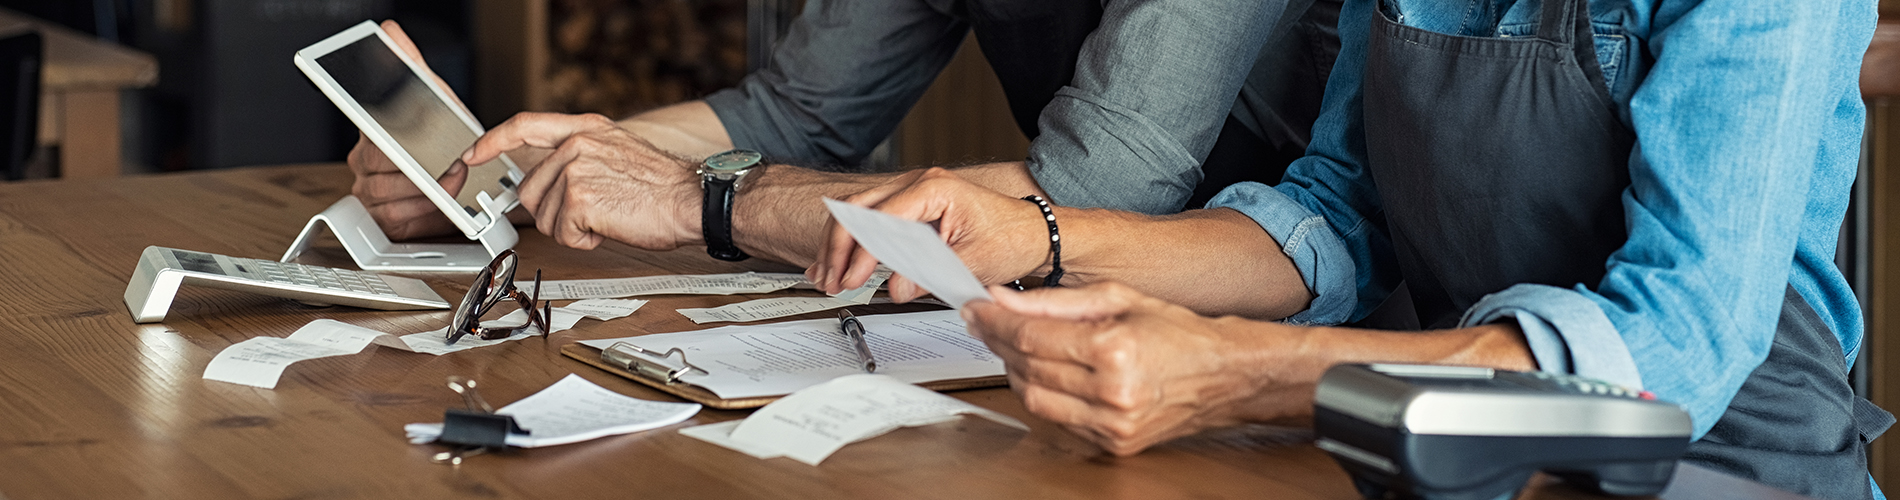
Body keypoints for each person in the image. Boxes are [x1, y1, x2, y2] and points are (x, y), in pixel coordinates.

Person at [808, 0, 1892, 498]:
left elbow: (1674, 355)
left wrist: (1241, 374)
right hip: (1455, 447)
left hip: (1726, 468)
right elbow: (1332, 214)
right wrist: (1035, 235)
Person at [350, 0, 1342, 265]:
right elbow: (793, 113)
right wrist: (509, 167)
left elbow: (1097, 189)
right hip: (1057, 307)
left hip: (1309, 328)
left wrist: (694, 200)